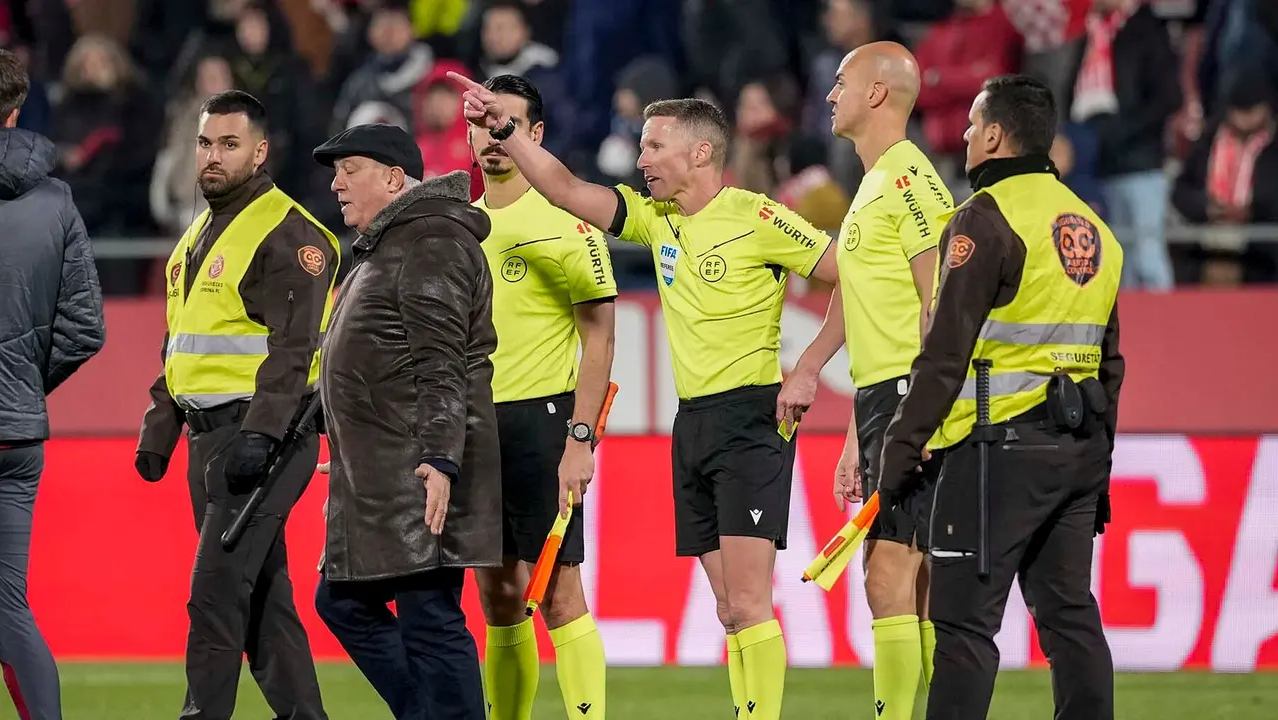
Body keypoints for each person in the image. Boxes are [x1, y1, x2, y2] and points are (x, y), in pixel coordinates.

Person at [450, 70, 839, 720]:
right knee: (725, 608)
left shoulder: (756, 216)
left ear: (699, 152)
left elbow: (847, 277)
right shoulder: (657, 221)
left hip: (750, 417)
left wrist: (808, 370)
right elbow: (567, 188)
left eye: (654, 146)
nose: (640, 159)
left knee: (747, 603)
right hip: (693, 425)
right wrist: (507, 134)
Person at [877, 74, 1122, 720]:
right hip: (1076, 453)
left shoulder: (983, 219)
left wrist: (898, 453)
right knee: (1069, 619)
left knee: (960, 631)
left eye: (969, 124)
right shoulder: (1097, 232)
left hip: (994, 457)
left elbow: (943, 353)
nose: (961, 135)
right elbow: (1110, 364)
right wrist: (1097, 476)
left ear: (993, 135)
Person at [134, 90, 335, 720]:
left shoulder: (292, 234)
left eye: (229, 144)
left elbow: (295, 349)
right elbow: (181, 342)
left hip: (262, 438)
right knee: (264, 608)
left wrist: (262, 434)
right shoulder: (198, 234)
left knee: (216, 595)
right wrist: (160, 429)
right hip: (211, 439)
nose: (213, 157)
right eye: (204, 143)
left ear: (260, 151)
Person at [776, 41, 952, 720]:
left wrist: (933, 408)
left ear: (877, 93)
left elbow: (938, 294)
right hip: (887, 396)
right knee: (912, 576)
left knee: (890, 573)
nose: (829, 94)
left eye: (841, 81)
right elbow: (869, 301)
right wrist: (851, 423)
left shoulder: (908, 177)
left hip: (913, 396)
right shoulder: (873, 185)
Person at [310, 124, 500, 720]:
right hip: (385, 471)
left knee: (429, 616)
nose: (336, 183)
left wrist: (442, 460)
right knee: (350, 603)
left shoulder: (430, 241)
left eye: (350, 170)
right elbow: (376, 359)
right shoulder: (389, 244)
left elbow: (443, 365)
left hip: (416, 468)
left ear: (394, 179)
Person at [468, 75, 617, 720]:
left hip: (542, 419)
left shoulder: (565, 217)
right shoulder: (458, 223)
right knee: (498, 596)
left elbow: (600, 332)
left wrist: (581, 439)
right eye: (481, 122)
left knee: (557, 592)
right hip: (474, 424)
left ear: (534, 134)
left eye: (505, 123)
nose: (490, 137)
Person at [0, 48, 105, 720]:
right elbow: (84, 327)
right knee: (7, 601)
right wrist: (23, 384)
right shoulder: (56, 198)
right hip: (17, 433)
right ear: (17, 108)